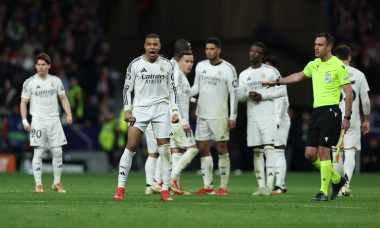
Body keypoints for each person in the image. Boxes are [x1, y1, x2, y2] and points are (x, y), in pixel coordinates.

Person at [262, 32, 353, 201]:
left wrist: (347, 117)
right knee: (310, 154)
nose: (316, 48)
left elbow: (349, 92)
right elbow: (298, 76)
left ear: (329, 47)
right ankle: (337, 179)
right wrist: (276, 82)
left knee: (324, 152)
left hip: (331, 111)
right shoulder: (314, 64)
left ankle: (323, 192)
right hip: (316, 112)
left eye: (319, 45)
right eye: (315, 44)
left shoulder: (338, 66)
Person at [113, 33, 179, 201]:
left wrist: (175, 110)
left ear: (159, 46)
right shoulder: (135, 64)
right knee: (131, 146)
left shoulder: (167, 65)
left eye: (155, 44)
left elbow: (172, 89)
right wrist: (127, 110)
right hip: (140, 110)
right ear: (144, 46)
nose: (152, 47)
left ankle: (164, 189)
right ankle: (120, 188)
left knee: (164, 149)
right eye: (149, 44)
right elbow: (127, 89)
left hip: (161, 109)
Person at [190, 37, 238, 196]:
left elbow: (234, 94)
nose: (208, 51)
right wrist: (183, 92)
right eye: (206, 49)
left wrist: (233, 116)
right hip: (202, 115)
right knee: (203, 149)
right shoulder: (200, 66)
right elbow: (196, 87)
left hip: (219, 115)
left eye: (212, 49)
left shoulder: (228, 69)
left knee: (221, 148)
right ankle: (208, 186)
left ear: (219, 50)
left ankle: (223, 187)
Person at [20, 52, 72, 193]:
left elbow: (63, 99)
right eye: (38, 65)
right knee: (38, 152)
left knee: (58, 152)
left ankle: (57, 183)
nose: (40, 67)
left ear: (49, 66)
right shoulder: (30, 82)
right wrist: (25, 120)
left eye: (43, 65)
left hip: (54, 120)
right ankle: (38, 185)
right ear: (35, 66)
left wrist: (69, 113)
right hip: (38, 121)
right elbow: (23, 102)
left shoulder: (56, 81)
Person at [238, 43, 286, 196]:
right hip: (252, 117)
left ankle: (269, 186)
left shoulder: (271, 71)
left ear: (262, 55)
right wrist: (248, 94)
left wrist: (262, 96)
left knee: (269, 149)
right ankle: (260, 186)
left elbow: (282, 91)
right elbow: (239, 96)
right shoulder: (244, 74)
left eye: (257, 52)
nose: (253, 53)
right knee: (257, 151)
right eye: (251, 50)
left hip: (268, 116)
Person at [144, 39, 191, 195]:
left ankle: (153, 185)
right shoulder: (172, 69)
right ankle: (159, 183)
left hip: (155, 114)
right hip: (162, 114)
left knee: (160, 151)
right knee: (162, 151)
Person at [332, 44, 370, 196]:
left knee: (336, 153)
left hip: (334, 117)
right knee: (350, 152)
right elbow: (365, 101)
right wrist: (366, 120)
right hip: (352, 118)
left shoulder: (332, 72)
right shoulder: (359, 74)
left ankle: (339, 184)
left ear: (335, 57)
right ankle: (345, 185)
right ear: (349, 57)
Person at [166, 51, 198, 195]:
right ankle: (171, 180)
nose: (190, 64)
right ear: (179, 62)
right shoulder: (178, 76)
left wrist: (191, 100)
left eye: (191, 62)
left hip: (176, 119)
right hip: (178, 120)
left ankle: (173, 187)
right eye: (187, 61)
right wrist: (184, 121)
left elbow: (180, 97)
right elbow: (176, 100)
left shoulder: (182, 78)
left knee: (177, 152)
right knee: (192, 149)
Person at [263, 55, 291, 194]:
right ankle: (281, 183)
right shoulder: (267, 81)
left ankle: (279, 186)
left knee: (279, 151)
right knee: (272, 152)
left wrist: (278, 121)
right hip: (270, 119)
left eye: (269, 66)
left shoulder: (279, 81)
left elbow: (284, 102)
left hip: (280, 120)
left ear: (276, 68)